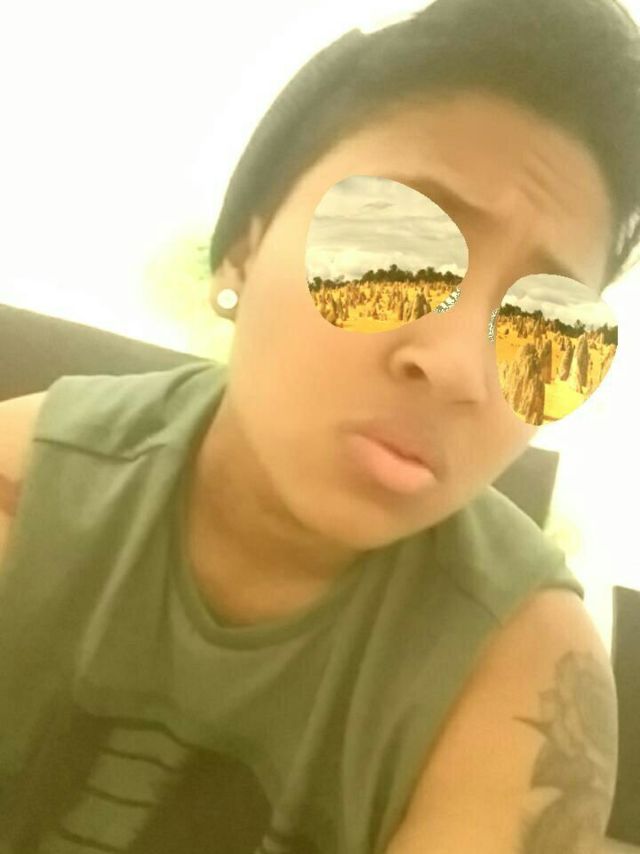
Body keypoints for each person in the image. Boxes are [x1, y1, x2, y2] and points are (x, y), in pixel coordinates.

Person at [0, 0, 637, 850]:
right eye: (392, 250)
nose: (461, 367)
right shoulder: (25, 495)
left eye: (546, 327)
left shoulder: (528, 685)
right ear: (245, 246)